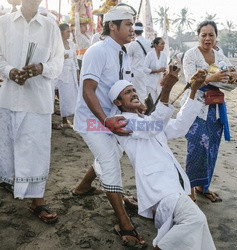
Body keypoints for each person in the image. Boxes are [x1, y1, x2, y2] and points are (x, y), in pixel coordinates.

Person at [108, 66, 216, 249]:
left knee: (194, 228)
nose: (134, 93)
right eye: (127, 93)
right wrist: (166, 90)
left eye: (134, 90)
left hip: (174, 184)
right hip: (159, 187)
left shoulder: (144, 119)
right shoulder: (122, 121)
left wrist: (194, 89)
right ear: (118, 102)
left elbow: (180, 126)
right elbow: (153, 127)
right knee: (195, 220)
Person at [73, 4, 146, 247]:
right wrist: (105, 120)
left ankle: (83, 187)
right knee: (110, 161)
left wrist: (134, 105)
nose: (132, 29)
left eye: (133, 24)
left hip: (111, 119)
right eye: (127, 24)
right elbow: (88, 90)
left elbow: (119, 88)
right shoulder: (97, 51)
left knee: (112, 153)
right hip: (92, 121)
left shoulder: (123, 52)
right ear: (111, 26)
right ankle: (124, 222)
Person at [0, 0, 64, 223]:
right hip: (9, 98)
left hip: (38, 101)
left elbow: (58, 61)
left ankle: (38, 201)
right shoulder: (4, 23)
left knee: (37, 149)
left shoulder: (49, 26)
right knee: (7, 148)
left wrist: (41, 68)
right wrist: (9, 72)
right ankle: (10, 185)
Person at [182, 20, 237, 202]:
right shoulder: (191, 55)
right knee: (196, 146)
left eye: (211, 35)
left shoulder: (220, 55)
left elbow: (235, 76)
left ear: (216, 37)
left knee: (212, 148)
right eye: (204, 35)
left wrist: (236, 76)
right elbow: (190, 83)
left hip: (215, 108)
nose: (207, 39)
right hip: (196, 107)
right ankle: (189, 189)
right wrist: (212, 77)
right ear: (198, 36)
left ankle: (203, 186)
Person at [57, 23, 79, 128]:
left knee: (75, 93)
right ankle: (64, 120)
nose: (69, 34)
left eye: (70, 31)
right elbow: (53, 58)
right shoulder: (56, 43)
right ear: (61, 32)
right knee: (64, 95)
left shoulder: (71, 43)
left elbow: (75, 58)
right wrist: (61, 57)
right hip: (62, 73)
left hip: (72, 72)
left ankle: (75, 118)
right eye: (67, 31)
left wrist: (78, 71)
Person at [127, 21, 151, 101]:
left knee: (140, 93)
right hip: (148, 72)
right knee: (148, 92)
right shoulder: (149, 42)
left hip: (137, 72)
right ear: (142, 31)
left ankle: (144, 110)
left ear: (134, 31)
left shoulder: (133, 44)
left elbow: (127, 56)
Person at [144, 37, 168, 102]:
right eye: (162, 44)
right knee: (152, 103)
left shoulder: (164, 56)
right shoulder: (150, 55)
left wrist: (165, 73)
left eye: (164, 44)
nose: (163, 46)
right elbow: (145, 69)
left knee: (159, 102)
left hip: (160, 83)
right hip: (150, 83)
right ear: (156, 45)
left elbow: (166, 68)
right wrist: (157, 71)